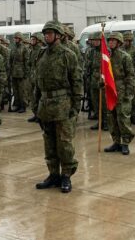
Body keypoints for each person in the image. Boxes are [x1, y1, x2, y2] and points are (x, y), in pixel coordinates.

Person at [34, 21, 83, 193]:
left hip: (63, 105)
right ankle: (53, 175)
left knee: (64, 144)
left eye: (50, 33)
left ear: (59, 36)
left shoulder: (68, 55)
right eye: (45, 33)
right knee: (49, 143)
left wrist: (75, 106)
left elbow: (77, 81)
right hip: (45, 105)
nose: (46, 36)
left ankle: (66, 176)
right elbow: (37, 81)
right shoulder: (41, 54)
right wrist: (35, 104)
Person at [104, 32, 135, 155]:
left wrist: (128, 93)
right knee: (111, 118)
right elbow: (104, 73)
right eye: (109, 40)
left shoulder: (125, 57)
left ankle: (125, 143)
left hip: (122, 90)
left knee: (123, 118)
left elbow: (130, 76)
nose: (111, 42)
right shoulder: (106, 57)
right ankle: (116, 141)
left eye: (113, 40)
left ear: (119, 43)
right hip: (110, 91)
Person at [85, 31, 108, 131]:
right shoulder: (91, 52)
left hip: (103, 81)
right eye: (93, 40)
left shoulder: (106, 51)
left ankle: (106, 122)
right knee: (95, 103)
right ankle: (100, 121)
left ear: (101, 41)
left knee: (104, 104)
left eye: (96, 40)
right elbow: (87, 66)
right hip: (93, 81)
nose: (94, 42)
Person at [122, 31, 135, 125]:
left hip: (133, 78)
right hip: (123, 78)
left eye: (128, 40)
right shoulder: (120, 50)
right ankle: (126, 115)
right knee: (125, 98)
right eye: (125, 40)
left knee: (134, 99)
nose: (127, 42)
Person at [9, 32, 29, 113]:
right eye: (15, 38)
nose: (15, 39)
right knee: (15, 90)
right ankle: (17, 105)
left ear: (20, 39)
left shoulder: (24, 48)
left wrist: (26, 73)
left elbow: (27, 61)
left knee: (22, 91)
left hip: (21, 73)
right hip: (14, 72)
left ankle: (23, 106)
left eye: (17, 38)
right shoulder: (13, 48)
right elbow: (10, 60)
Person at [27, 32, 44, 123]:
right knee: (32, 97)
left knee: (39, 97)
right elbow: (30, 64)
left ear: (38, 40)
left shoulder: (41, 51)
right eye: (31, 39)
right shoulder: (31, 51)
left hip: (38, 77)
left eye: (34, 39)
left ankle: (40, 115)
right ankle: (36, 114)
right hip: (32, 77)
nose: (32, 41)